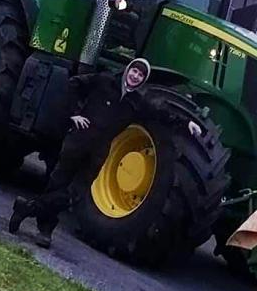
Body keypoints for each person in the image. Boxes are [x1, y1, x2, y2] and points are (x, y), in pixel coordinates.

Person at [8, 58, 152, 249]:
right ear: (128, 70)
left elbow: (160, 113)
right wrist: (74, 113)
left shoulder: (136, 102)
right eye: (134, 71)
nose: (135, 76)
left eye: (141, 75)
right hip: (78, 142)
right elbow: (73, 84)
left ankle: (27, 208)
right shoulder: (104, 81)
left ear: (143, 80)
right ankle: (45, 230)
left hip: (98, 154)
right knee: (58, 183)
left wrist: (188, 124)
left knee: (75, 194)